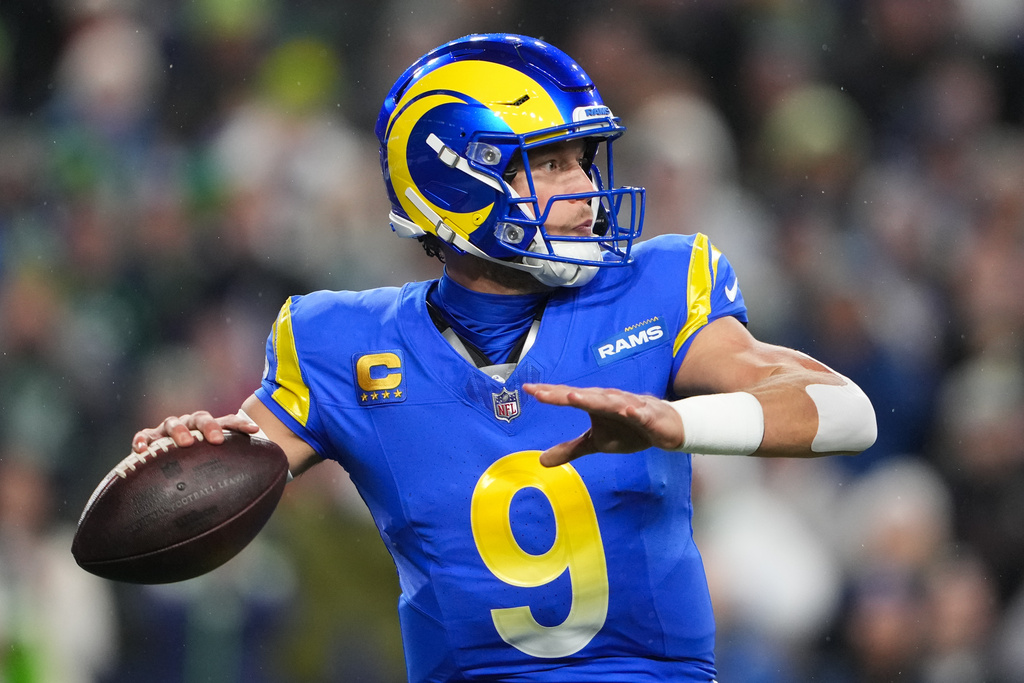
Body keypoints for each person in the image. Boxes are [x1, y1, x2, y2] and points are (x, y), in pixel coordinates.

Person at [130, 33, 877, 682]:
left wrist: (679, 425)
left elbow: (849, 413)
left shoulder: (655, 287)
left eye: (584, 161)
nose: (586, 189)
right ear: (455, 180)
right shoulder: (339, 346)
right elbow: (225, 476)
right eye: (551, 164)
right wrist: (191, 454)